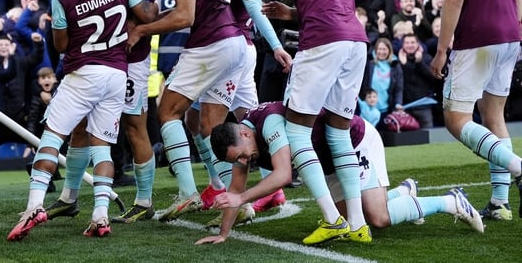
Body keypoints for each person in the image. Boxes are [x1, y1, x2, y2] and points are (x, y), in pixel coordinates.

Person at [6, 0, 157, 241]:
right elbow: (145, 13)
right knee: (102, 145)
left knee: (51, 138)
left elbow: (60, 45)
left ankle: (35, 205)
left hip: (83, 73)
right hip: (118, 74)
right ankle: (100, 215)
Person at [239, 0, 371, 244]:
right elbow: (330, 0)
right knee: (339, 133)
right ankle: (357, 223)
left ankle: (332, 219)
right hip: (355, 39)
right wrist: (290, 14)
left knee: (297, 130)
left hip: (323, 40)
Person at [195, 102, 484, 244]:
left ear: (245, 133)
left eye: (244, 154)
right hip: (327, 161)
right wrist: (224, 233)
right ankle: (403, 193)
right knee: (353, 216)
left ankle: (450, 201)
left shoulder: (268, 124)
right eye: (240, 160)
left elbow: (283, 175)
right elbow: (234, 190)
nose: (247, 161)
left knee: (377, 219)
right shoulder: (242, 141)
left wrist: (242, 197)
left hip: (352, 141)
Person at [126, 0, 247, 222]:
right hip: (235, 45)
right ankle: (230, 195)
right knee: (207, 125)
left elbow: (185, 16)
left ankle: (188, 193)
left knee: (167, 110)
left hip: (211, 45)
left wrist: (143, 29)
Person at [45, 0, 159, 224]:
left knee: (135, 127)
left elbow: (145, 19)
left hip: (130, 63)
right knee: (80, 127)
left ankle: (145, 199)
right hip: (100, 63)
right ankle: (69, 198)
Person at [427, 0, 522, 221]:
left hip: (478, 37)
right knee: (493, 116)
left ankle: (518, 167)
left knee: (455, 119)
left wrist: (441, 50)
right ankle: (500, 204)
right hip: (509, 32)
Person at [194, 0, 293, 221]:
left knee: (206, 124)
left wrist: (276, 46)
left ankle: (225, 191)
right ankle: (271, 187)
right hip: (240, 50)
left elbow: (254, 7)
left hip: (233, 51)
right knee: (250, 123)